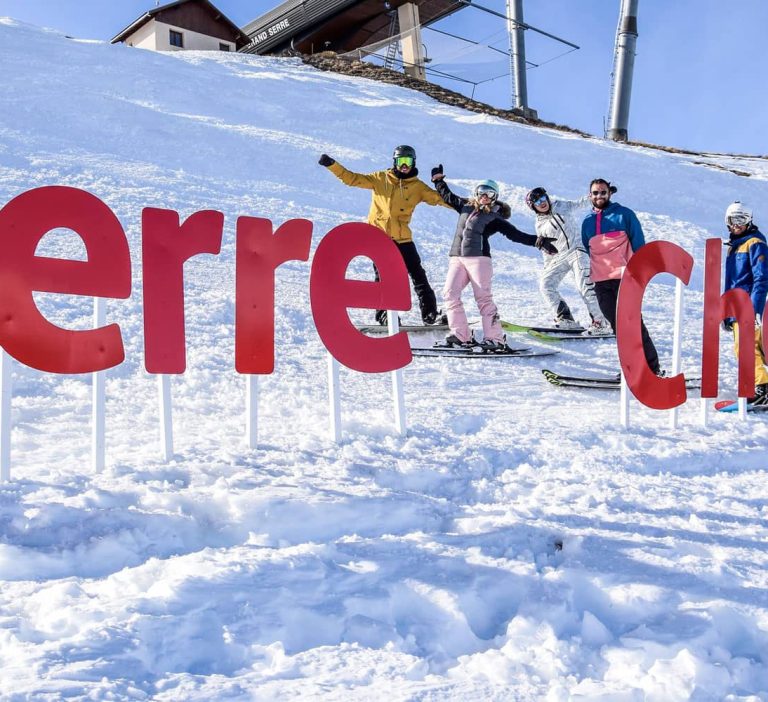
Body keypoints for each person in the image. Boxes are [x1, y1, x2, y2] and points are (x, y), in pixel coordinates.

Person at [318, 146, 450, 326]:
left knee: (419, 276)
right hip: (379, 240)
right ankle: (384, 315)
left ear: (414, 163)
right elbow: (352, 179)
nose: (405, 166)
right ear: (395, 162)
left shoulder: (417, 187)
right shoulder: (380, 179)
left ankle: (430, 314)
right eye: (401, 161)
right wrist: (332, 165)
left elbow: (441, 199)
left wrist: (470, 206)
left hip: (403, 240)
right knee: (383, 278)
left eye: (408, 162)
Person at [431, 165, 557, 350]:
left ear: (494, 197)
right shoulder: (465, 206)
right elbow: (448, 196)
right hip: (457, 258)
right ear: (476, 192)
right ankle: (461, 335)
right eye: (482, 191)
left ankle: (495, 339)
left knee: (483, 299)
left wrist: (538, 241)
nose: (484, 196)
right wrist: (438, 181)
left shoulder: (494, 217)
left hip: (479, 260)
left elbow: (515, 235)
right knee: (450, 294)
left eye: (489, 193)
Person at [581, 178, 662, 375]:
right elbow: (588, 248)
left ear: (610, 193)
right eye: (595, 193)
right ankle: (631, 368)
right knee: (617, 326)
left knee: (633, 323)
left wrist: (639, 275)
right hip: (601, 281)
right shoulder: (587, 222)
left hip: (625, 279)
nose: (599, 196)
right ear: (589, 195)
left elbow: (639, 246)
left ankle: (652, 369)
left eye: (602, 192)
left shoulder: (625, 215)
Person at [525, 186, 611, 334]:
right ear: (533, 206)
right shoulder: (539, 224)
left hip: (577, 251)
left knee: (585, 286)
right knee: (545, 285)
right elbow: (547, 250)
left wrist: (599, 195)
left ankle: (601, 323)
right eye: (537, 201)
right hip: (559, 257)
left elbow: (581, 203)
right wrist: (548, 267)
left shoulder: (561, 206)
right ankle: (566, 320)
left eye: (543, 198)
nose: (542, 202)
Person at [722, 201, 768, 405]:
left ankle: (762, 387)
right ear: (727, 221)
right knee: (746, 347)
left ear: (749, 221)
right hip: (737, 307)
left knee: (747, 347)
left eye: (742, 220)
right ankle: (759, 384)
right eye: (734, 220)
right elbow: (732, 283)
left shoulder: (755, 242)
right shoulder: (735, 246)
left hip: (748, 306)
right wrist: (726, 312)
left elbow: (761, 278)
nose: (737, 224)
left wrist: (754, 310)